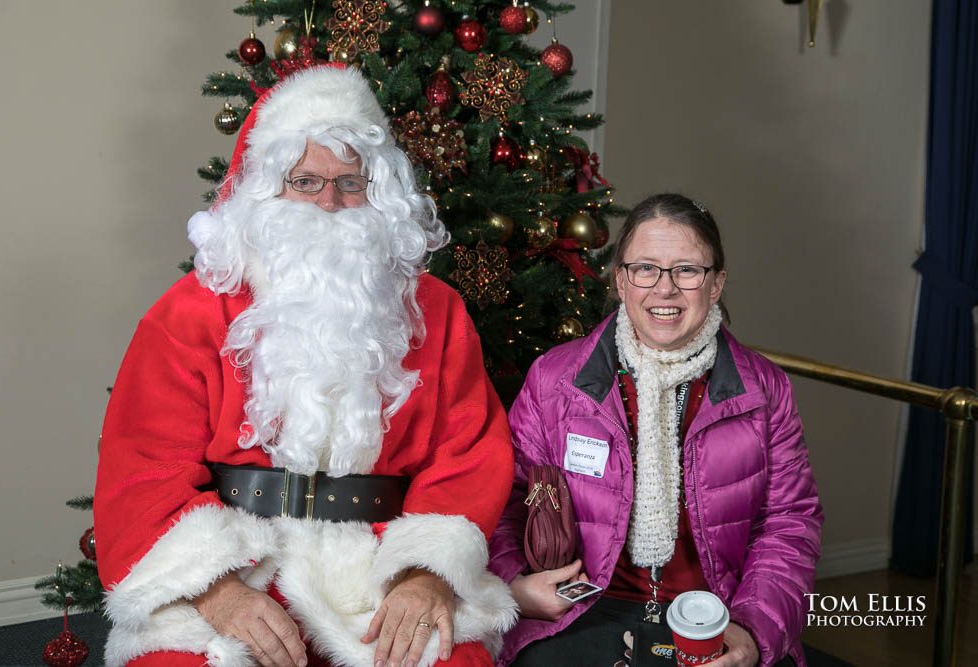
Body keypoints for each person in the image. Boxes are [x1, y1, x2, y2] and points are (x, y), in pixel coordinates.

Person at [94, 65, 517, 667]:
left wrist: (425, 573)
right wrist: (217, 590)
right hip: (237, 558)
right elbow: (144, 466)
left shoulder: (436, 313)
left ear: (380, 193)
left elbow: (468, 454)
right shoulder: (190, 311)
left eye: (351, 184)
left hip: (380, 567)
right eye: (306, 181)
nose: (329, 204)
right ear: (267, 189)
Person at [488, 194, 823, 667]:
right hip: (580, 612)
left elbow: (789, 525)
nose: (664, 289)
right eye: (646, 268)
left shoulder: (764, 389)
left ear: (717, 284)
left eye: (687, 270)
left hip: (716, 615)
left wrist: (752, 630)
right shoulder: (554, 380)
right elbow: (505, 498)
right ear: (621, 281)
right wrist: (515, 586)